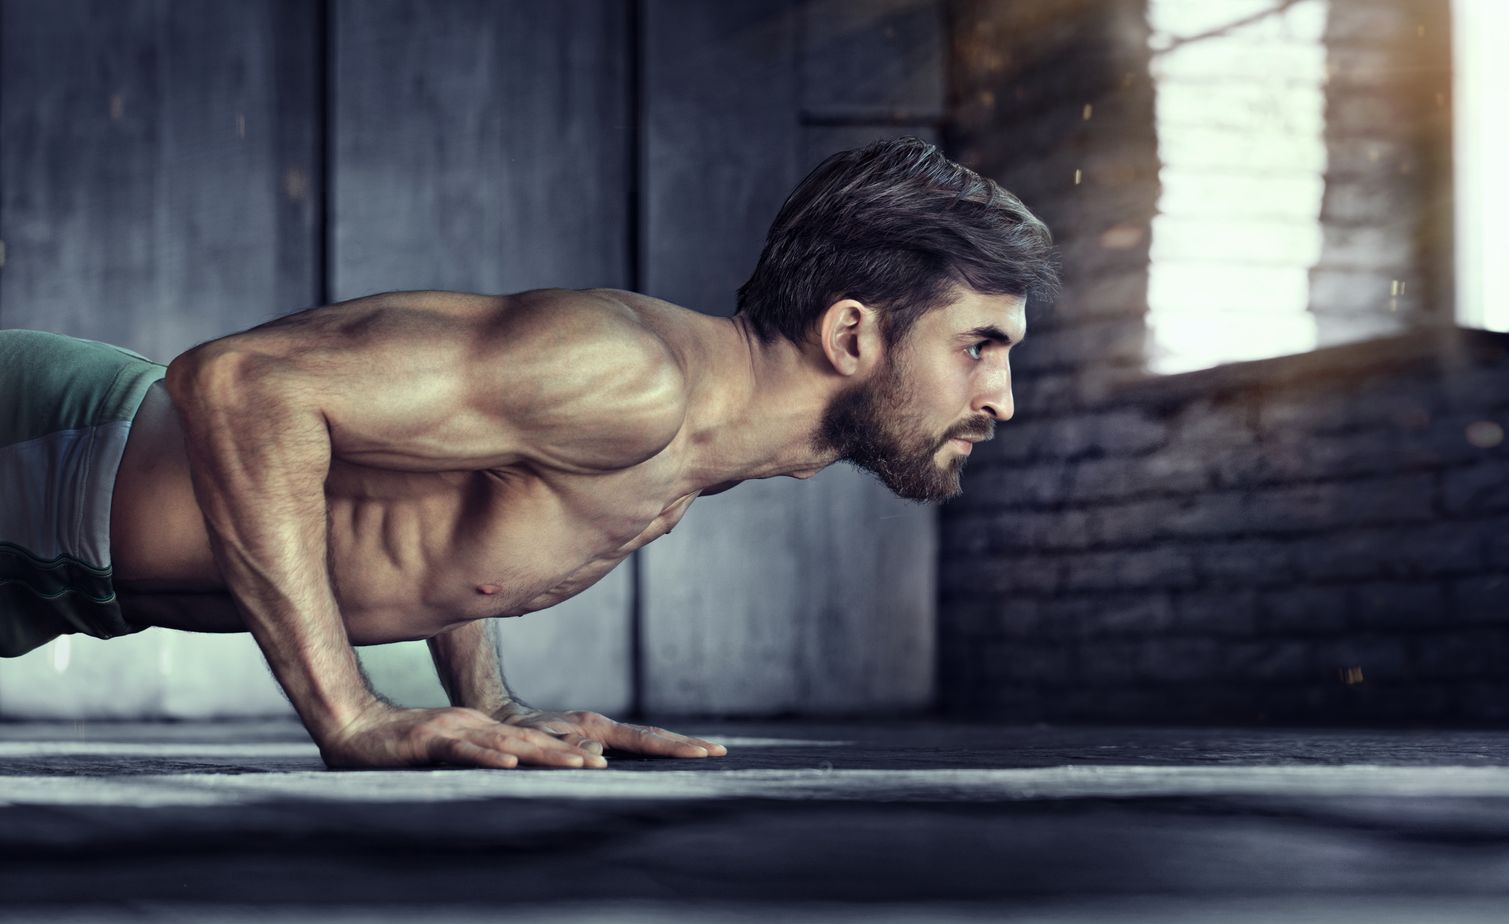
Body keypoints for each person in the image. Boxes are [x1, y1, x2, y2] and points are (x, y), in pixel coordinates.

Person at [0, 136, 1061, 769]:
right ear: (851, 336)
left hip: (57, 572)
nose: (1002, 399)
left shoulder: (706, 444)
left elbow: (448, 493)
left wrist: (488, 706)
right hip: (40, 453)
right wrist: (351, 714)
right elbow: (241, 386)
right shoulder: (630, 379)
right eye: (980, 348)